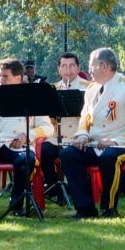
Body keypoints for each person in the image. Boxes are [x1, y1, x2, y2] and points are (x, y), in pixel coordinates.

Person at [59, 47, 125, 218]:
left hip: (123, 145)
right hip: (94, 143)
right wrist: (82, 135)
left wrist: (116, 141)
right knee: (68, 155)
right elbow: (85, 118)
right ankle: (85, 209)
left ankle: (109, 208)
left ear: (104, 66)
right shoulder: (92, 89)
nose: (88, 70)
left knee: (109, 157)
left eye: (91, 66)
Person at [0, 59, 54, 219]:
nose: (0, 80)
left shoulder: (33, 96)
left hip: (19, 146)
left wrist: (27, 136)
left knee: (24, 161)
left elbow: (48, 128)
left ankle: (17, 204)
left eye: (5, 76)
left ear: (18, 78)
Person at [40, 52, 92, 204]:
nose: (68, 70)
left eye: (71, 66)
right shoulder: (52, 89)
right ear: (59, 69)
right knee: (43, 151)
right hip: (57, 137)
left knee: (72, 156)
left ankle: (78, 189)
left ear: (78, 68)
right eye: (64, 66)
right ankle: (54, 187)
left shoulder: (89, 88)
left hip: (79, 135)